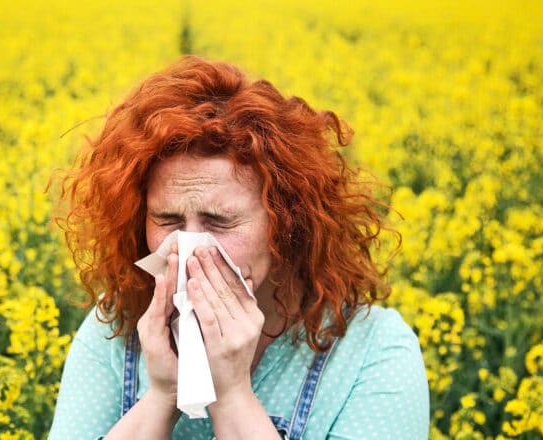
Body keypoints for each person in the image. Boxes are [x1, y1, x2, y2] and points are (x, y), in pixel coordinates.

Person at [49, 56, 429, 439]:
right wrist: (164, 396)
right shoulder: (117, 327)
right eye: (167, 221)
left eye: (219, 222)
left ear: (285, 224)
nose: (190, 249)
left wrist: (231, 396)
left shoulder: (373, 351)